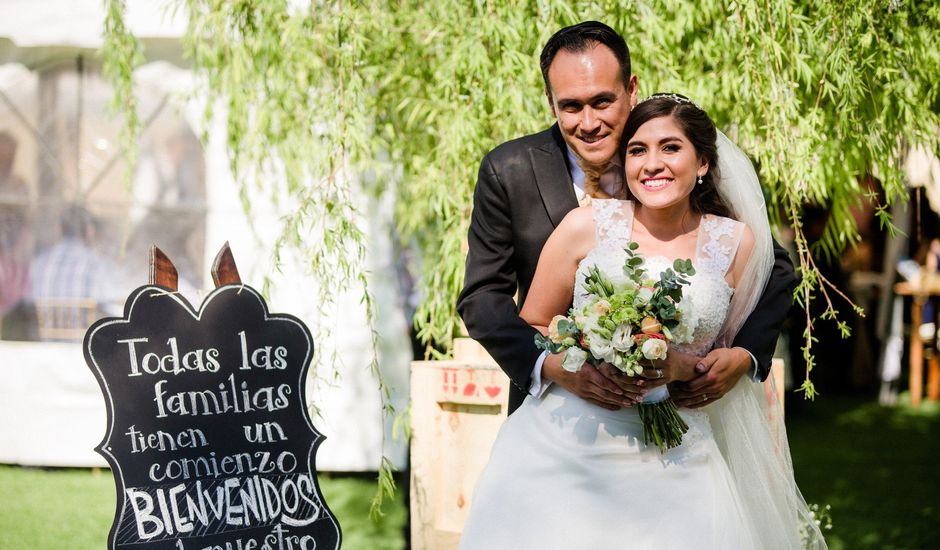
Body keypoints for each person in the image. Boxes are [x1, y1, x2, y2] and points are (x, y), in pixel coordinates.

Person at [459, 94, 825, 549]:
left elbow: (724, 351)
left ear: (703, 163)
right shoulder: (586, 226)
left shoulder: (735, 244)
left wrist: (695, 365)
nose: (653, 164)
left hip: (678, 450)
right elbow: (534, 322)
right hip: (567, 445)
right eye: (637, 151)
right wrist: (575, 366)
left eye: (671, 148)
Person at [457, 21, 796, 416]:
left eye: (602, 101)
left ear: (631, 89)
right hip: (556, 408)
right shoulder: (509, 169)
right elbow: (482, 299)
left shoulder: (670, 154)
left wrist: (744, 355)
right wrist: (553, 367)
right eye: (571, 106)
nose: (588, 123)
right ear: (551, 103)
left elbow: (772, 267)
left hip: (681, 406)